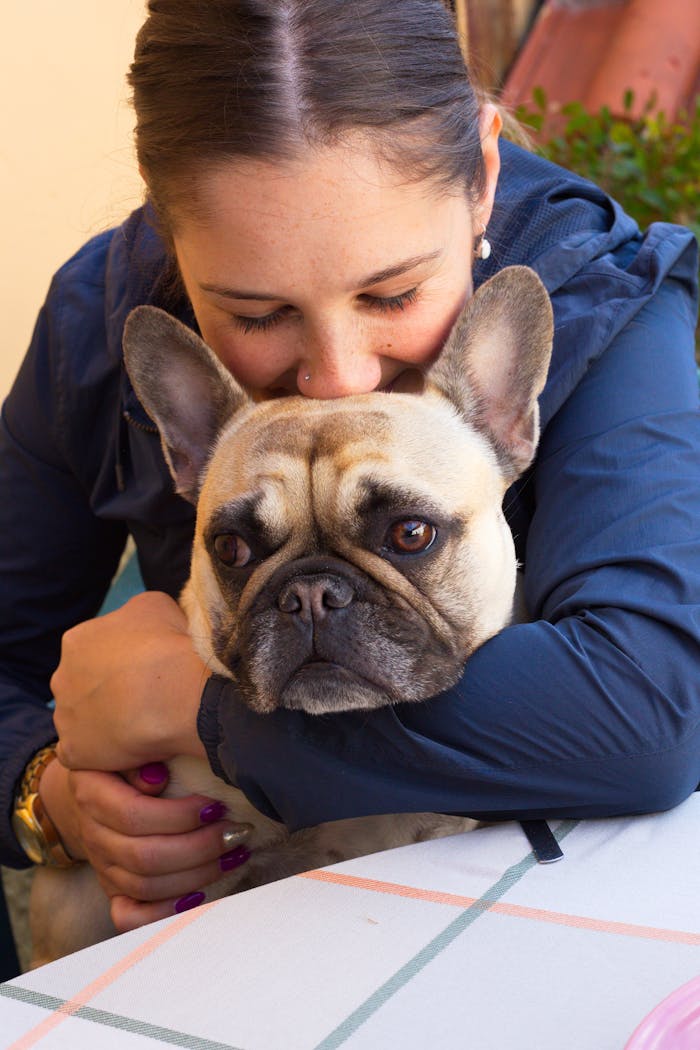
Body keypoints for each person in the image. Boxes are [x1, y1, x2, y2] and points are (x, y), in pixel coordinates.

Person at [2, 0, 698, 938]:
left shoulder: (599, 298)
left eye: (394, 292)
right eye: (255, 313)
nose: (338, 374)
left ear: (483, 175)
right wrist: (51, 793)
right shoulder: (98, 317)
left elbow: (649, 715)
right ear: (169, 233)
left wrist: (197, 711)